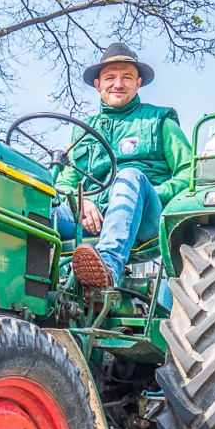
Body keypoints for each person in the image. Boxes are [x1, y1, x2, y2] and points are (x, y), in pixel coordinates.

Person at [53, 43, 193, 287]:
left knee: (130, 175)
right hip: (88, 217)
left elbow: (189, 173)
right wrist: (82, 203)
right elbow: (66, 181)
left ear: (138, 83)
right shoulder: (83, 130)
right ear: (98, 85)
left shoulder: (159, 120)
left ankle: (106, 269)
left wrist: (149, 193)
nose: (118, 84)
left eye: (126, 77)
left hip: (145, 217)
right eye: (110, 77)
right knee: (33, 204)